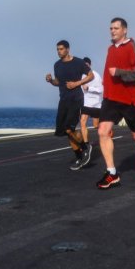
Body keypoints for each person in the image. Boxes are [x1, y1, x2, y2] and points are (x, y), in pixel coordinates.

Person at [96, 18, 135, 189]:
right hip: (111, 98)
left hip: (131, 99)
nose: (112, 31)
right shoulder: (110, 49)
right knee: (102, 131)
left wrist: (119, 73)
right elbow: (107, 73)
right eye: (111, 28)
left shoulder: (133, 47)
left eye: (116, 28)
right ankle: (112, 173)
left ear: (124, 30)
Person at [45, 40, 94, 171]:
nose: (59, 51)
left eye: (61, 49)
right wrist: (51, 81)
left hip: (76, 99)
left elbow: (91, 76)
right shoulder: (57, 65)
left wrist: (76, 84)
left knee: (69, 128)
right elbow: (58, 82)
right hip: (63, 100)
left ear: (67, 49)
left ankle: (85, 146)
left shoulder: (78, 62)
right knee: (65, 131)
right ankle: (79, 157)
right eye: (57, 49)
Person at [79, 57, 103, 144]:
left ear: (90, 65)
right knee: (82, 122)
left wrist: (89, 88)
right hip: (86, 103)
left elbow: (101, 89)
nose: (85, 66)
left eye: (87, 65)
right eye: (83, 65)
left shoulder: (96, 75)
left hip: (96, 103)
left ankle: (107, 132)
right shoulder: (81, 75)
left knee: (96, 125)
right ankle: (86, 144)